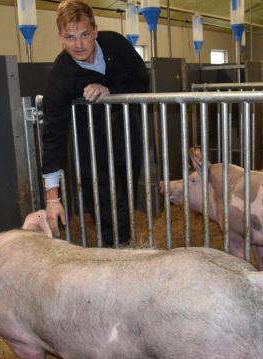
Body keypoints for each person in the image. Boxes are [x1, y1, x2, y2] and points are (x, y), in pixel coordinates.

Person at [42, 0, 149, 246]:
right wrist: (52, 198)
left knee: (127, 190)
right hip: (92, 146)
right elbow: (53, 135)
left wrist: (110, 89)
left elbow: (142, 78)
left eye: (84, 35)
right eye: (70, 37)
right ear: (60, 37)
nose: (78, 44)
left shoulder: (116, 44)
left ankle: (124, 241)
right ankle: (116, 248)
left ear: (95, 31)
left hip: (127, 133)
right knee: (105, 201)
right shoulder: (60, 77)